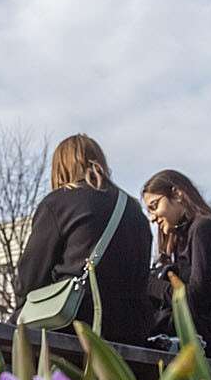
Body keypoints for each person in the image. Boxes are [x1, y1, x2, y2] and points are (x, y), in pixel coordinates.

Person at [13, 134, 154, 345]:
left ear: (60, 167)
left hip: (74, 324)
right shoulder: (134, 209)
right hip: (131, 331)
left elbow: (31, 276)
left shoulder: (59, 202)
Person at [140, 169, 211, 360]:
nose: (152, 218)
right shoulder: (183, 238)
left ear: (177, 194)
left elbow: (195, 298)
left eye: (155, 206)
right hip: (198, 332)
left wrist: (148, 284)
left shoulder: (205, 229)